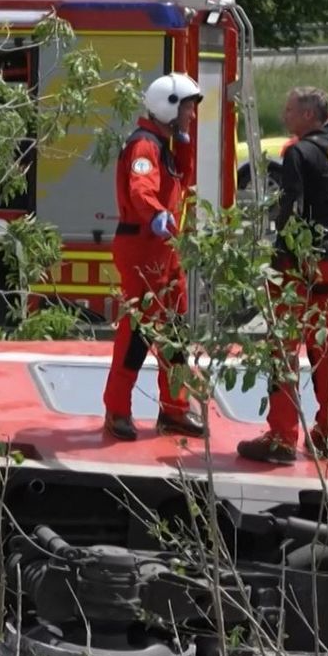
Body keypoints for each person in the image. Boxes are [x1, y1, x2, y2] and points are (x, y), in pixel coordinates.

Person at [239, 87, 328, 465]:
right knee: (322, 346)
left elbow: (291, 209)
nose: (285, 114)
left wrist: (279, 260)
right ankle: (327, 434)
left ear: (308, 115)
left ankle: (281, 437)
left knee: (284, 347)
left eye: (290, 109)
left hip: (300, 262)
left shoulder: (296, 152)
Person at [101, 73, 208, 442]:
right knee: (138, 332)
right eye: (189, 109)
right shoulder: (144, 146)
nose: (192, 116)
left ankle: (175, 409)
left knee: (176, 330)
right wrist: (156, 214)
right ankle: (117, 409)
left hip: (164, 249)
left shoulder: (165, 143)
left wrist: (185, 144)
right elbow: (140, 188)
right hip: (143, 247)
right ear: (170, 107)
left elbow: (183, 177)